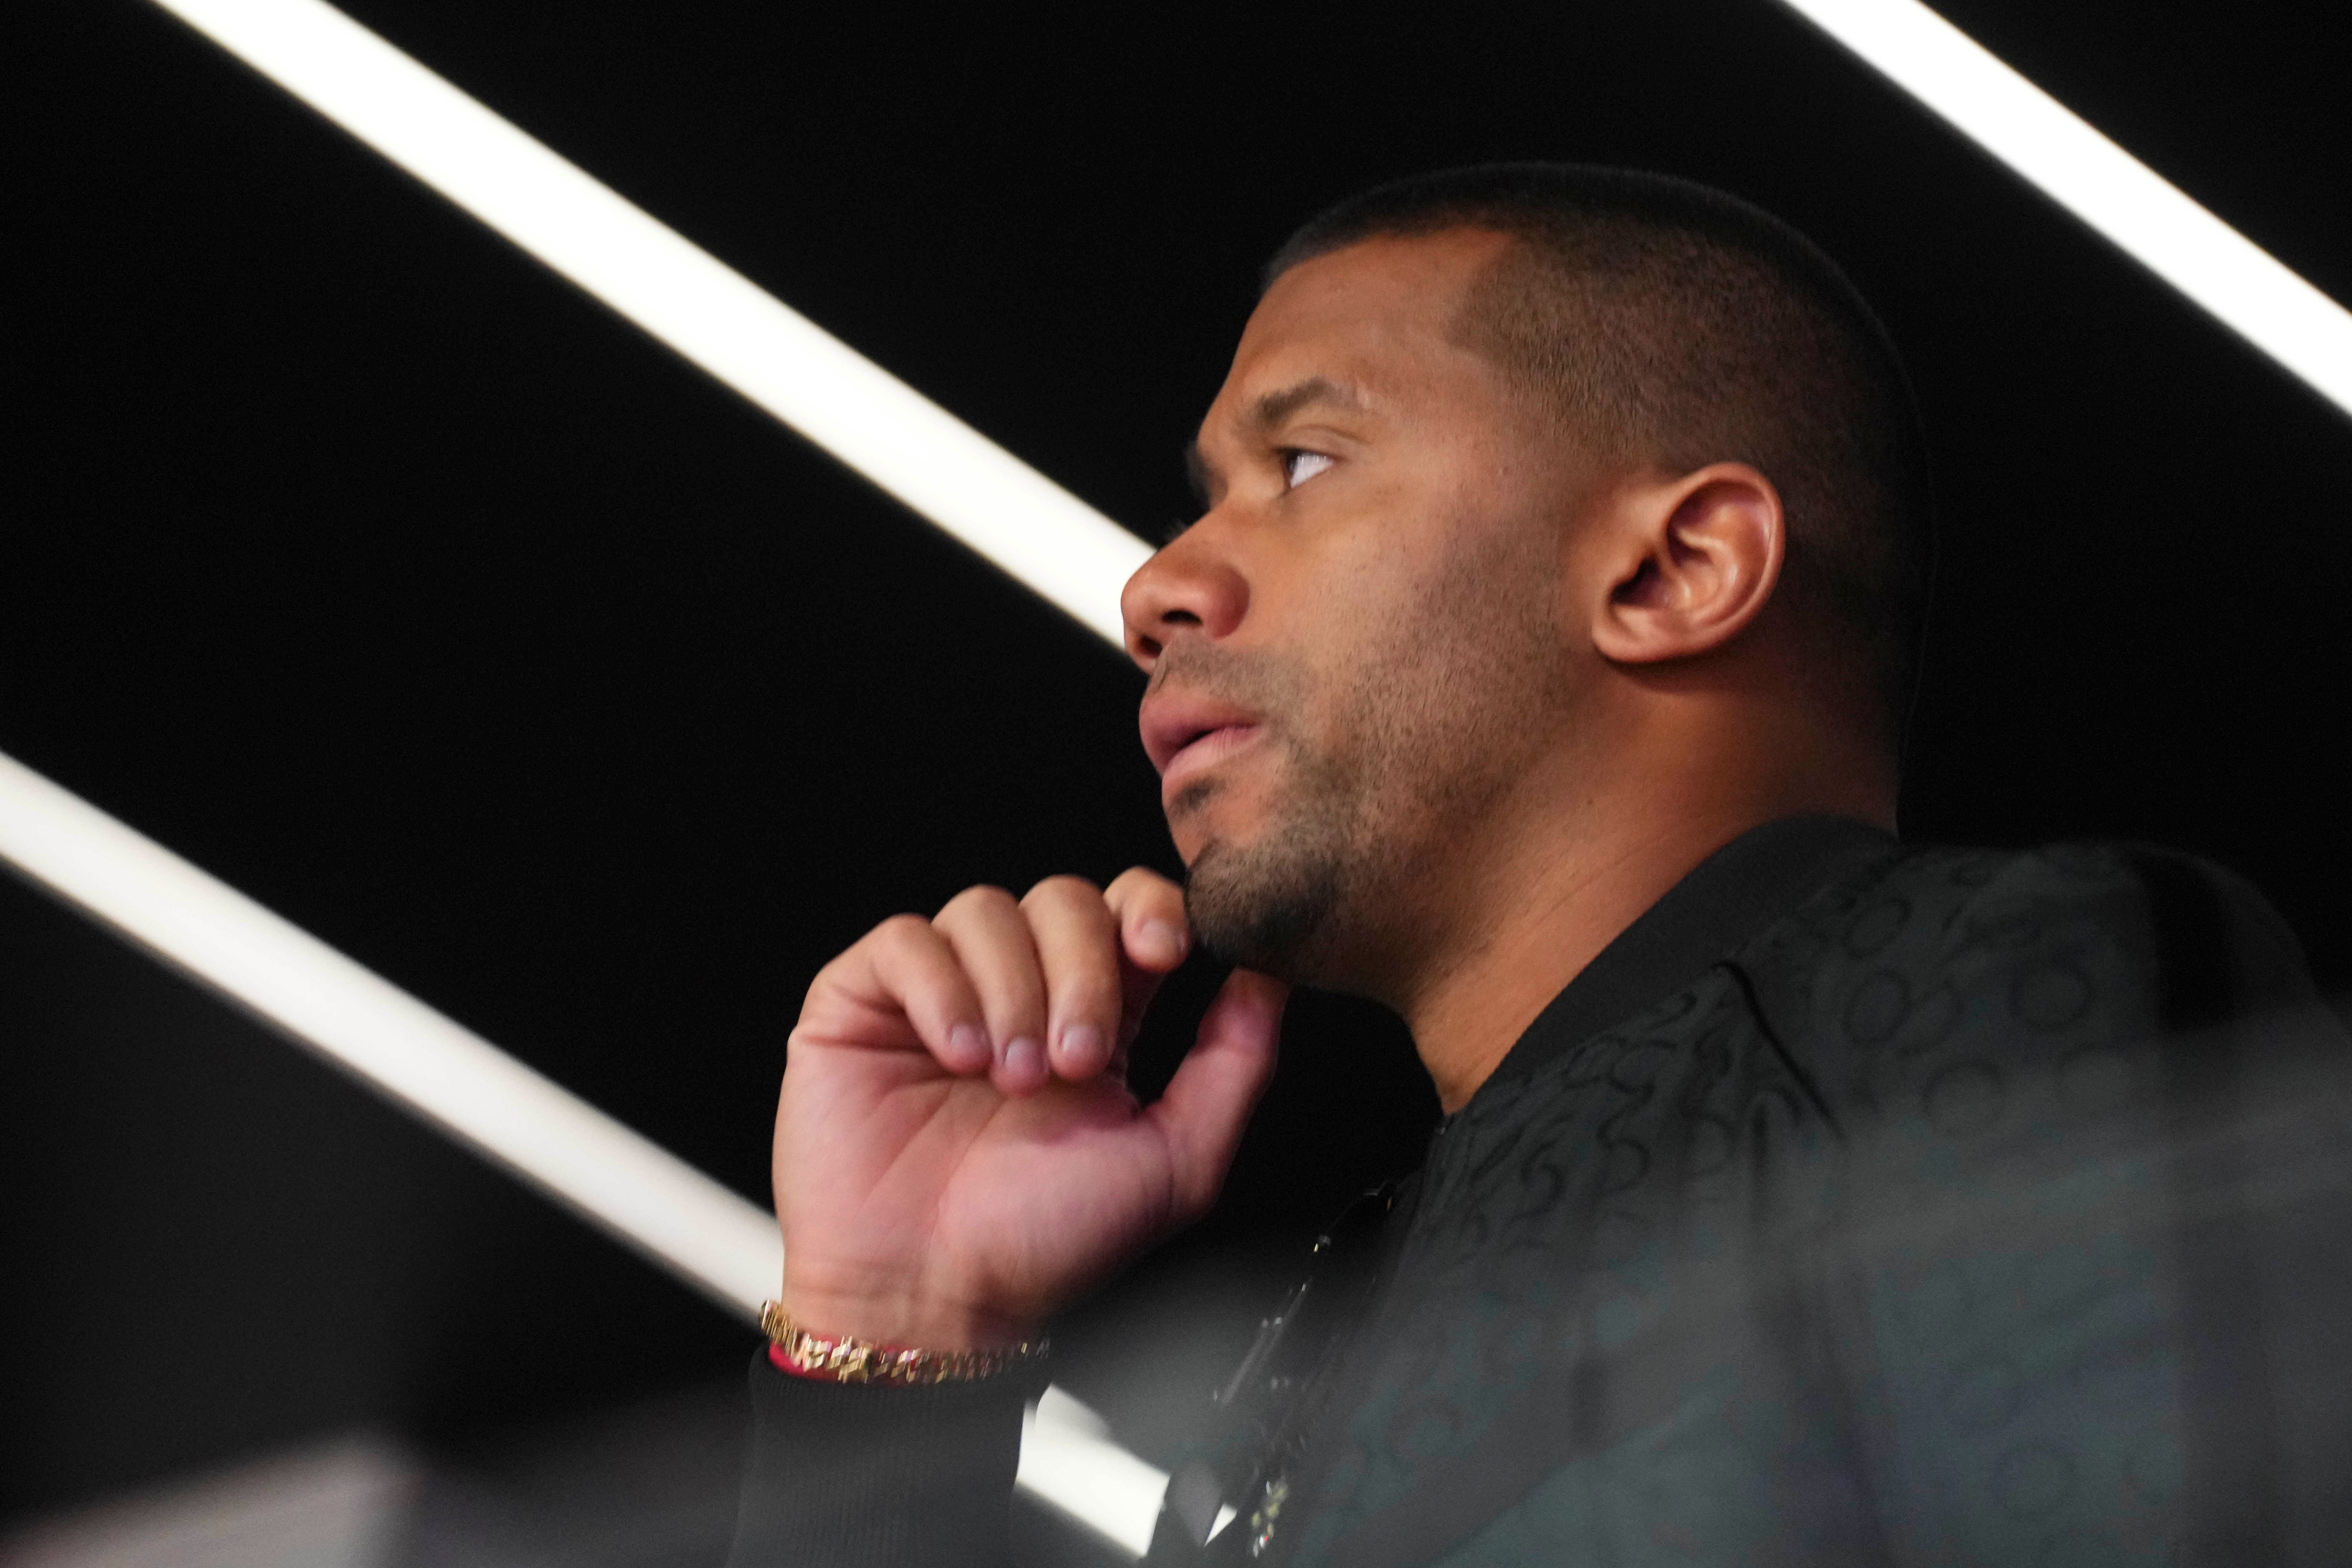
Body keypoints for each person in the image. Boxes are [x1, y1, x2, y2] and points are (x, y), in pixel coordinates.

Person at [725, 165, 2349, 1566]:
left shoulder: (1980, 987)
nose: (1157, 586)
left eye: (1301, 466)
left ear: (1677, 567)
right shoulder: (1359, 1279)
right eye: (1204, 498)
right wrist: (897, 1328)